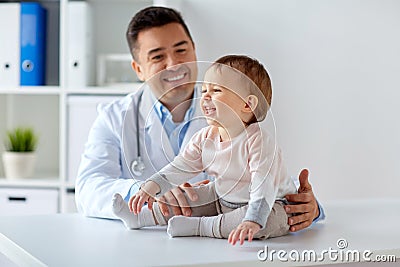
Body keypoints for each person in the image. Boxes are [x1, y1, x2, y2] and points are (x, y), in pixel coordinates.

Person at [75, 6, 324, 232]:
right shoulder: (113, 117)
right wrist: (143, 192)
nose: (174, 64)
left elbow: (264, 174)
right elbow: (88, 188)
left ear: (194, 50)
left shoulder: (234, 106)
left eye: (181, 50)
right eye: (158, 57)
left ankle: (203, 226)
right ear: (138, 69)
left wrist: (311, 207)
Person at [113, 55, 298, 245]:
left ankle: (200, 227)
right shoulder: (205, 137)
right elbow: (180, 167)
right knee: (190, 197)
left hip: (270, 204)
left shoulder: (259, 141)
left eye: (216, 90)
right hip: (222, 197)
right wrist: (151, 187)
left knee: (266, 221)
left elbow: (263, 185)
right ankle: (140, 218)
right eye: (204, 90)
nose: (205, 96)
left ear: (247, 104)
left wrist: (252, 220)